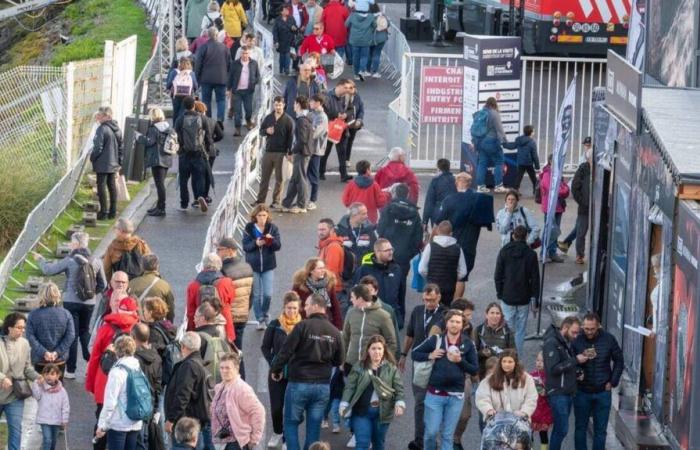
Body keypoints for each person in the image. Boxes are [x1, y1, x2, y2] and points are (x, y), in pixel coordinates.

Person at [270, 293, 345, 450]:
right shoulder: (334, 331)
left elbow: (285, 351)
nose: (305, 308)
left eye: (307, 304)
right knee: (314, 427)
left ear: (317, 306)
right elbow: (339, 361)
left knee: (290, 423)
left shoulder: (302, 326)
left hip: (299, 382)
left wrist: (275, 369)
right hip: (322, 385)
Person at [32, 232, 105, 378]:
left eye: (72, 243)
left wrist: (40, 259)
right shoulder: (96, 260)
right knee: (85, 332)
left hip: (71, 301)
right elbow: (103, 284)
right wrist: (90, 295)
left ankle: (71, 370)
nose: (70, 245)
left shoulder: (70, 260)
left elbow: (48, 270)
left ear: (77, 244)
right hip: (89, 303)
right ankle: (91, 363)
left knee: (72, 334)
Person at [412, 310, 478, 450]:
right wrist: (430, 354)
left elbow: (474, 369)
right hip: (435, 394)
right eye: (452, 321)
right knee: (431, 433)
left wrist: (460, 361)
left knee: (447, 436)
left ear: (462, 325)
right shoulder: (436, 339)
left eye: (458, 322)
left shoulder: (468, 343)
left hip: (456, 396)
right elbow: (415, 353)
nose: (454, 324)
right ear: (446, 323)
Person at [86, 298, 140, 450]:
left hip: (104, 382)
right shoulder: (138, 329)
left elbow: (95, 357)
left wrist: (90, 385)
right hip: (130, 388)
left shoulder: (105, 328)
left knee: (102, 421)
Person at [399, 285, 446, 450]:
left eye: (432, 300)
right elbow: (410, 334)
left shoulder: (445, 314)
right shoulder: (418, 311)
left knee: (435, 403)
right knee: (419, 402)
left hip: (438, 365)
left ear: (439, 297)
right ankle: (419, 441)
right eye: (426, 300)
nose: (429, 303)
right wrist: (404, 355)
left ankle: (434, 440)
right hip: (419, 363)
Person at [339, 335, 405, 450]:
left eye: (379, 348)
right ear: (368, 350)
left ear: (384, 350)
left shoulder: (391, 368)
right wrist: (344, 402)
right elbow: (350, 387)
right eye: (373, 348)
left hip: (382, 413)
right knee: (362, 444)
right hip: (361, 412)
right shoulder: (359, 366)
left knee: (378, 445)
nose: (377, 352)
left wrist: (399, 403)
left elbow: (399, 388)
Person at [571, 313, 623, 450]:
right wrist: (577, 370)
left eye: (592, 329)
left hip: (603, 392)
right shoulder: (577, 340)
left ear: (598, 326)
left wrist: (613, 381)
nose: (588, 332)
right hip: (582, 391)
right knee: (580, 428)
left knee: (601, 431)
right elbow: (569, 362)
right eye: (586, 328)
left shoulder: (609, 339)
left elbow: (619, 360)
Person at [436, 172, 494, 291]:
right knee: (461, 277)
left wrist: (431, 240)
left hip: (450, 244)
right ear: (470, 183)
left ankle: (446, 302)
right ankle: (456, 305)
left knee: (447, 275)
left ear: (456, 182)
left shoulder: (449, 200)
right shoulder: (480, 199)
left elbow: (439, 222)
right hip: (469, 244)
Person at [262, 292, 302, 448]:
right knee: (277, 408)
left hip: (295, 374)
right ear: (284, 308)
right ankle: (277, 432)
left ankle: (287, 438)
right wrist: (274, 363)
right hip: (276, 373)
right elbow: (265, 347)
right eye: (288, 308)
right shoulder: (274, 324)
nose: (291, 311)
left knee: (291, 409)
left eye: (294, 308)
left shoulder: (302, 326)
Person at [494, 225, 540, 355]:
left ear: (513, 235)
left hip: (507, 296)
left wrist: (500, 293)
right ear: (526, 236)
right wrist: (535, 299)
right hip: (524, 297)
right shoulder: (531, 254)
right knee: (520, 330)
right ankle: (517, 357)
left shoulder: (504, 251)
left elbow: (498, 275)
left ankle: (504, 356)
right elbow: (535, 279)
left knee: (506, 328)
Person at [164, 332, 214, 449]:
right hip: (194, 421)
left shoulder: (189, 366)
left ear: (183, 347)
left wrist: (171, 419)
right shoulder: (198, 362)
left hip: (185, 424)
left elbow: (182, 395)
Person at [93, 336, 143, 450]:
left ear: (117, 350)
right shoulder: (137, 366)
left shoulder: (117, 372)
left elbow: (110, 402)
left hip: (119, 423)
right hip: (135, 420)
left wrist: (102, 425)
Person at [0, 313, 42, 450]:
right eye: (19, 327)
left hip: (15, 395)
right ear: (9, 328)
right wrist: (2, 377)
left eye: (23, 328)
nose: (22, 331)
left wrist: (38, 377)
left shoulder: (25, 344)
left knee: (16, 431)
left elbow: (27, 368)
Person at [211, 353, 265, 450]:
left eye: (228, 368)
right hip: (220, 442)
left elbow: (258, 411)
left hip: (236, 443)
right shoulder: (220, 387)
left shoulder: (241, 388)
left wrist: (254, 439)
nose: (224, 371)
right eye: (222, 368)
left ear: (236, 369)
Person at [541, 316, 581, 450]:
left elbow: (565, 366)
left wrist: (577, 373)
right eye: (574, 332)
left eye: (577, 333)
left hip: (567, 392)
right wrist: (576, 360)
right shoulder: (552, 343)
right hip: (558, 393)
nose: (576, 336)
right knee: (561, 429)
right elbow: (553, 369)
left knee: (561, 429)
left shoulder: (564, 341)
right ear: (565, 328)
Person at [242, 204, 282, 328]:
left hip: (268, 265)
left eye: (264, 215)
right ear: (255, 216)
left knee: (268, 294)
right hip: (253, 265)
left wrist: (270, 241)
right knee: (257, 294)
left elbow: (278, 246)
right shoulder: (249, 229)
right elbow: (246, 247)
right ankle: (260, 319)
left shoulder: (272, 228)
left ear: (268, 216)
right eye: (259, 215)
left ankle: (265, 313)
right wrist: (256, 243)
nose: (262, 218)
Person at [377, 183, 422, 291]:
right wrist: (410, 253)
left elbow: (380, 230)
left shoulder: (387, 209)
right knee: (401, 285)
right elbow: (418, 238)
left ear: (395, 194)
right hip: (404, 255)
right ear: (407, 195)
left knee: (386, 285)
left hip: (387, 253)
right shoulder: (415, 213)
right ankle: (400, 307)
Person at [475, 349, 538, 423]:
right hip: (495, 422)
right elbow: (482, 397)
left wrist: (524, 412)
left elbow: (531, 398)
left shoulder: (527, 378)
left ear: (516, 363)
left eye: (510, 362)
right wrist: (488, 410)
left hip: (520, 421)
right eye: (504, 361)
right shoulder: (489, 379)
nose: (506, 364)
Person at [131, 107, 173, 216]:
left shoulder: (153, 129)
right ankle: (159, 206)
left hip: (157, 159)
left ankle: (161, 208)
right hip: (167, 158)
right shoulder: (167, 127)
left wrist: (138, 136)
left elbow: (149, 142)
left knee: (160, 185)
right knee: (161, 184)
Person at [174, 95, 213, 213]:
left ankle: (184, 204)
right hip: (199, 152)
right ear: (194, 105)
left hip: (184, 153)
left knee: (183, 180)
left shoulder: (180, 119)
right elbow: (208, 137)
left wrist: (180, 148)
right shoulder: (202, 118)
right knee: (199, 177)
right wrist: (207, 148)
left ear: (184, 106)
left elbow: (176, 135)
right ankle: (199, 197)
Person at [186, 253, 236, 343]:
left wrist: (191, 330)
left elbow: (190, 312)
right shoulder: (226, 282)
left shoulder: (193, 285)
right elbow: (231, 300)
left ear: (204, 266)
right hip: (224, 328)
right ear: (219, 266)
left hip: (201, 329)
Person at [343, 284, 397, 367]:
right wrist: (343, 361)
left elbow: (391, 342)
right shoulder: (350, 312)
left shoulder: (383, 316)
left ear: (360, 299)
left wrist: (383, 363)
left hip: (372, 366)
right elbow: (345, 338)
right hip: (351, 364)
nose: (350, 300)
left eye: (352, 297)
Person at [354, 238, 406, 325]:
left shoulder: (396, 269)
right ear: (377, 252)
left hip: (392, 317)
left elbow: (401, 295)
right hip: (371, 318)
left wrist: (400, 318)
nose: (391, 253)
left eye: (391, 249)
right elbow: (355, 294)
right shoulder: (364, 269)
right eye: (387, 250)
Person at [25, 282, 75, 372]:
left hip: (40, 359)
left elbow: (30, 336)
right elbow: (70, 336)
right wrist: (57, 352)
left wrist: (44, 352)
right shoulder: (66, 314)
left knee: (40, 384)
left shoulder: (33, 315)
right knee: (58, 385)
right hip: (59, 359)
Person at [257, 96, 295, 208]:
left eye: (279, 105)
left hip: (281, 153)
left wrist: (290, 153)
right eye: (276, 105)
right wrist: (266, 131)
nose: (277, 107)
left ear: (284, 105)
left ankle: (276, 201)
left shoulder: (288, 120)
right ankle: (260, 200)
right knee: (264, 178)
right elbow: (261, 132)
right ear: (273, 105)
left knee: (280, 178)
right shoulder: (269, 118)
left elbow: (291, 138)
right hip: (268, 151)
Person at [418, 220, 467, 307]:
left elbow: (421, 269)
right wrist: (454, 277)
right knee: (446, 310)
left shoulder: (430, 246)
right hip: (449, 287)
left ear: (437, 231)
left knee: (431, 308)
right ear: (451, 233)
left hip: (432, 285)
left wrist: (429, 276)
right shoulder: (457, 248)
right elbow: (463, 271)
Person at [216, 237, 254, 351]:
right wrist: (245, 310)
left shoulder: (222, 269)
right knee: (238, 350)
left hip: (228, 317)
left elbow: (222, 296)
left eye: (219, 249)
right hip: (242, 315)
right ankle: (240, 369)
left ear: (229, 250)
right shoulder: (248, 267)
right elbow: (252, 294)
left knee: (227, 352)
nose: (217, 252)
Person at [131, 324, 164, 450]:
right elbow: (158, 385)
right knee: (145, 438)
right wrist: (156, 408)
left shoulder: (134, 359)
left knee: (138, 440)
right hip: (149, 403)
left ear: (133, 337)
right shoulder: (157, 358)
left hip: (136, 404)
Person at [559, 147, 592, 264]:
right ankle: (579, 255)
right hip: (585, 207)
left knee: (579, 229)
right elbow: (575, 187)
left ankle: (566, 243)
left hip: (597, 207)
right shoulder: (583, 169)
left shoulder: (600, 169)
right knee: (581, 231)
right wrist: (582, 201)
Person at [282, 96, 314, 214]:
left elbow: (302, 140)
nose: (293, 106)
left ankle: (302, 205)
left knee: (300, 179)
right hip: (303, 152)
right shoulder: (306, 118)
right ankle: (287, 203)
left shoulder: (301, 120)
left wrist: (292, 151)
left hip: (302, 152)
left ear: (299, 105)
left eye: (295, 104)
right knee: (295, 178)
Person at [90, 106, 123, 220]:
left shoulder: (102, 129)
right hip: (113, 162)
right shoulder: (117, 128)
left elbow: (98, 147)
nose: (98, 118)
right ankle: (112, 212)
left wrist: (93, 158)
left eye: (100, 115)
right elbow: (120, 148)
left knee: (101, 187)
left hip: (103, 163)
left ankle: (103, 212)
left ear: (106, 116)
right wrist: (119, 163)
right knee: (112, 186)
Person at [292, 257, 342, 329]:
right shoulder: (299, 284)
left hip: (324, 323)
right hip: (305, 324)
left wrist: (338, 328)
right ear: (311, 271)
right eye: (319, 268)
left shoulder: (329, 284)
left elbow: (335, 307)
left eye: (323, 268)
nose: (323, 270)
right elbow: (292, 304)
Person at [195, 27, 231, 125]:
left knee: (206, 100)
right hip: (221, 78)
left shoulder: (203, 47)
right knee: (221, 100)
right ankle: (220, 119)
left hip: (206, 79)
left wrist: (196, 79)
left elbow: (198, 64)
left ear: (208, 35)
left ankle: (208, 120)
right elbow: (229, 64)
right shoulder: (225, 48)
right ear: (217, 35)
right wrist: (227, 78)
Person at [538, 153, 570, 263]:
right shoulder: (548, 174)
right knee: (550, 230)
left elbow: (561, 189)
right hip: (551, 207)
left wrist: (564, 189)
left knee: (554, 231)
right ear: (551, 161)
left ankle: (551, 252)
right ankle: (545, 252)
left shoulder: (555, 173)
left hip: (557, 206)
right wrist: (565, 189)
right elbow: (558, 189)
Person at [473, 97, 508, 194]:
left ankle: (480, 186)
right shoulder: (494, 113)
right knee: (499, 161)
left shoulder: (480, 113)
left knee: (482, 163)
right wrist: (505, 141)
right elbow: (499, 129)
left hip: (480, 142)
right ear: (494, 104)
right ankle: (498, 185)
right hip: (491, 141)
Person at [320, 79, 353, 181]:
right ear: (339, 86)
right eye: (345, 88)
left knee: (342, 152)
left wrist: (346, 115)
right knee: (325, 151)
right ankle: (320, 172)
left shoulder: (347, 97)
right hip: (330, 127)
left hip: (342, 129)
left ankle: (344, 175)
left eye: (349, 88)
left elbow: (351, 109)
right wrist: (336, 115)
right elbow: (324, 110)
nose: (347, 90)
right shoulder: (327, 96)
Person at [31, 363, 69, 450]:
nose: (49, 376)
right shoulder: (41, 387)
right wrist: (36, 384)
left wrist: (65, 419)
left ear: (58, 376)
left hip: (57, 420)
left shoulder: (62, 391)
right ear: (43, 375)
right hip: (44, 419)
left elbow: (65, 406)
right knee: (47, 439)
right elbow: (36, 396)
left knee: (53, 440)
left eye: (52, 374)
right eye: (46, 374)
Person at [473, 302, 516, 379]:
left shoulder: (507, 331)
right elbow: (472, 354)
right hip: (483, 371)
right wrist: (482, 353)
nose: (495, 316)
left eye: (497, 313)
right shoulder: (478, 330)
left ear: (501, 316)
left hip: (502, 371)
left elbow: (513, 353)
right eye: (492, 313)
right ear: (486, 315)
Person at [342, 160, 390, 224]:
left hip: (354, 216)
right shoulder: (374, 184)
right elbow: (380, 202)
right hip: (370, 218)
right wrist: (386, 194)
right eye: (370, 168)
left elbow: (346, 201)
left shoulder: (351, 184)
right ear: (367, 170)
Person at [130, 254, 175, 321]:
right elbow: (170, 309)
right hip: (157, 323)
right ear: (157, 266)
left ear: (142, 267)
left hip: (137, 323)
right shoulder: (164, 285)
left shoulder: (132, 283)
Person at [335, 202, 378, 271]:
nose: (367, 216)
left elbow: (375, 250)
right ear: (354, 215)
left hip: (365, 272)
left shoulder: (370, 230)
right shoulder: (339, 231)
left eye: (366, 213)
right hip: (346, 274)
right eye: (363, 214)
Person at [227, 48, 260, 136]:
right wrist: (228, 89)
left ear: (249, 54)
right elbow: (230, 77)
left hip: (248, 91)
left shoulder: (254, 63)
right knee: (238, 111)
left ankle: (248, 121)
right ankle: (237, 128)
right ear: (241, 54)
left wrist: (253, 82)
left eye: (246, 53)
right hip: (237, 91)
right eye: (243, 53)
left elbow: (257, 76)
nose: (245, 55)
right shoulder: (235, 64)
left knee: (248, 109)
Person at [503, 125, 540, 194]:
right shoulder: (532, 142)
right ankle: (536, 190)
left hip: (520, 162)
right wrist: (537, 166)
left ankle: (515, 190)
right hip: (528, 163)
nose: (534, 133)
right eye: (533, 131)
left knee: (519, 177)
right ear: (531, 133)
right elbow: (534, 155)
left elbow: (512, 146)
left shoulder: (519, 140)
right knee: (533, 177)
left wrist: (504, 144)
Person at [307, 94, 328, 210]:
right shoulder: (311, 114)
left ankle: (313, 200)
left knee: (314, 176)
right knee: (306, 174)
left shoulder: (322, 117)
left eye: (312, 102)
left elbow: (315, 133)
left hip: (316, 150)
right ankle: (306, 198)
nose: (310, 103)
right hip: (308, 148)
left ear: (319, 103)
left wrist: (307, 131)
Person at [423, 159, 456, 228]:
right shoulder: (455, 180)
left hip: (438, 214)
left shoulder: (435, 180)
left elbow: (429, 201)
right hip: (453, 213)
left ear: (438, 168)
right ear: (449, 167)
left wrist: (425, 221)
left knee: (437, 237)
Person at [530, 351, 553, 450]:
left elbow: (551, 391)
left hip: (544, 410)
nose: (539, 363)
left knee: (543, 434)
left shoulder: (550, 377)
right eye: (537, 360)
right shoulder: (531, 375)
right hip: (532, 409)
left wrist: (545, 390)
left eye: (542, 361)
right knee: (528, 432)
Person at [317, 218, 346, 294]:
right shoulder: (325, 244)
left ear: (332, 230)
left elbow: (330, 272)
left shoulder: (333, 247)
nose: (320, 232)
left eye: (323, 230)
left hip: (331, 289)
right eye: (319, 230)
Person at [166, 57, 199, 123]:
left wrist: (170, 89)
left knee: (176, 112)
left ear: (179, 64)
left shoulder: (174, 72)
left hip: (176, 95)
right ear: (189, 64)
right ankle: (183, 127)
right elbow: (195, 86)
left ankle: (175, 127)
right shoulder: (191, 73)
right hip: (188, 96)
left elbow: (168, 85)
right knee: (184, 112)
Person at [345, 10, 376, 80]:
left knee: (355, 57)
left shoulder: (352, 15)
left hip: (355, 39)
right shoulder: (370, 16)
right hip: (366, 40)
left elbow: (346, 24)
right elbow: (375, 25)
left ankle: (356, 74)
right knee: (364, 56)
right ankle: (362, 70)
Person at [343, 81, 365, 166]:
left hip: (353, 124)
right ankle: (342, 159)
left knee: (349, 142)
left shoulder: (357, 97)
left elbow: (361, 109)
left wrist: (359, 119)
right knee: (342, 143)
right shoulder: (342, 96)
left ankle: (346, 159)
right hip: (343, 123)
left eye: (351, 88)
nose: (349, 90)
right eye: (347, 88)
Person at [272, 6, 298, 75]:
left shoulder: (291, 18)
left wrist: (294, 28)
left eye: (287, 9)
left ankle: (287, 69)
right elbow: (275, 31)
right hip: (281, 41)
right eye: (285, 10)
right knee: (282, 56)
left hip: (290, 41)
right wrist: (276, 41)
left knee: (287, 55)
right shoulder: (277, 20)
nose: (287, 10)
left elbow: (296, 29)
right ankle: (281, 69)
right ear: (281, 12)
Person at [367, 4, 389, 78]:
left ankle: (367, 70)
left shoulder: (366, 16)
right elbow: (388, 24)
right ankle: (375, 71)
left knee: (369, 54)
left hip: (369, 38)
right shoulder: (382, 16)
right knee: (377, 54)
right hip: (381, 38)